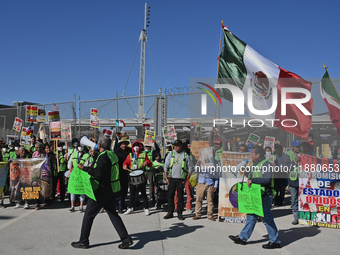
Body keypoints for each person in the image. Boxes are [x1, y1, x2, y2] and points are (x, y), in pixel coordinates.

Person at [71, 136, 133, 250]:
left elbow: (98, 172)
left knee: (88, 216)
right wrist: (95, 156)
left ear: (99, 145)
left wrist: (83, 168)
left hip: (100, 191)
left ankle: (83, 241)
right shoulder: (111, 154)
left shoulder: (103, 157)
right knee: (113, 215)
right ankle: (126, 239)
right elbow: (106, 168)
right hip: (110, 190)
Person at [229, 146, 281, 249]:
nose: (251, 155)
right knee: (251, 216)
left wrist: (252, 181)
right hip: (256, 194)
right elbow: (254, 176)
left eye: (252, 153)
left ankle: (275, 241)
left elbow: (266, 180)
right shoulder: (256, 164)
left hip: (264, 195)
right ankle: (243, 238)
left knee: (267, 218)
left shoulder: (266, 164)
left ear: (258, 155)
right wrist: (246, 173)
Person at [163, 140, 193, 220]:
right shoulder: (170, 154)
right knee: (170, 196)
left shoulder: (185, 155)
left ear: (181, 146)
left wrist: (186, 179)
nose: (176, 146)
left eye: (177, 145)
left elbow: (190, 167)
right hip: (171, 178)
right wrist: (166, 178)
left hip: (181, 179)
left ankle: (180, 213)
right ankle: (170, 212)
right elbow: (166, 166)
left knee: (180, 197)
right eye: (175, 145)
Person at [123, 141, 152, 216]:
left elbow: (150, 163)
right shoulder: (130, 155)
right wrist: (125, 165)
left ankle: (146, 208)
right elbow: (126, 162)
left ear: (140, 147)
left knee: (143, 193)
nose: (136, 147)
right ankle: (130, 207)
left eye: (137, 146)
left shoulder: (143, 154)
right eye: (134, 146)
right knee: (132, 193)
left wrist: (147, 162)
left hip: (141, 174)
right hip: (132, 174)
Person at [192, 155, 218, 221]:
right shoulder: (200, 160)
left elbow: (217, 174)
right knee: (199, 199)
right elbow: (195, 169)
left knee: (210, 200)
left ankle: (210, 215)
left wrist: (216, 185)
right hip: (201, 182)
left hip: (210, 183)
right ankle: (197, 214)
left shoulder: (215, 162)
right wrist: (198, 164)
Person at [284, 140, 301, 225]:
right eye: (296, 146)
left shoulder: (302, 154)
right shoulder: (288, 155)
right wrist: (294, 162)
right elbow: (286, 168)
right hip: (293, 181)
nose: (298, 148)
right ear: (292, 147)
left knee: (302, 199)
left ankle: (303, 216)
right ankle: (296, 217)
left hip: (302, 180)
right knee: (294, 199)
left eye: (299, 146)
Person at [114, 137, 132, 213]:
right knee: (118, 190)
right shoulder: (116, 152)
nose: (124, 145)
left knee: (125, 189)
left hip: (127, 173)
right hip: (118, 173)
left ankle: (123, 203)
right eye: (122, 144)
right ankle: (117, 205)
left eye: (125, 144)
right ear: (120, 145)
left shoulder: (129, 151)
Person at [68, 145, 87, 212]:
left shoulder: (86, 155)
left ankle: (81, 207)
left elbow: (87, 164)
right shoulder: (74, 154)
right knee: (73, 190)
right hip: (74, 175)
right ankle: (72, 206)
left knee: (82, 190)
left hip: (82, 175)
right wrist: (70, 167)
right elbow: (69, 162)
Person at [144, 140, 160, 206]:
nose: (146, 148)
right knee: (143, 185)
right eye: (146, 147)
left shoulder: (152, 152)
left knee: (151, 185)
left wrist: (155, 143)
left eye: (148, 147)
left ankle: (151, 197)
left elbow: (158, 150)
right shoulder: (142, 153)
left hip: (151, 171)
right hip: (144, 171)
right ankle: (144, 197)